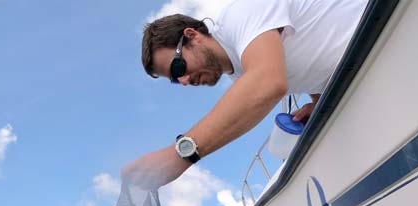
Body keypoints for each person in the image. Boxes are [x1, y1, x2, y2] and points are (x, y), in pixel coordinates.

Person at [123, 0, 367, 190]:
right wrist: (317, 102)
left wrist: (180, 154)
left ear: (192, 36)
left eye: (178, 68)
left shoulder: (241, 16)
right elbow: (307, 63)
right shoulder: (242, 71)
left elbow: (268, 82)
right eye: (175, 81)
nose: (184, 81)